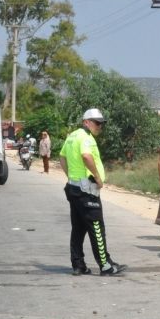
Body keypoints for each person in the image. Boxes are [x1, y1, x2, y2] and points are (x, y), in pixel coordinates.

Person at [58, 108, 124, 276]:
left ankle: (78, 264)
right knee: (96, 227)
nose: (99, 126)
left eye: (101, 123)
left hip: (74, 187)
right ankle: (105, 265)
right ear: (86, 122)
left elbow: (62, 157)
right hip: (86, 189)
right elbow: (87, 156)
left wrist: (70, 176)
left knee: (78, 228)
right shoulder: (86, 137)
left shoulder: (72, 136)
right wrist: (97, 177)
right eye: (96, 123)